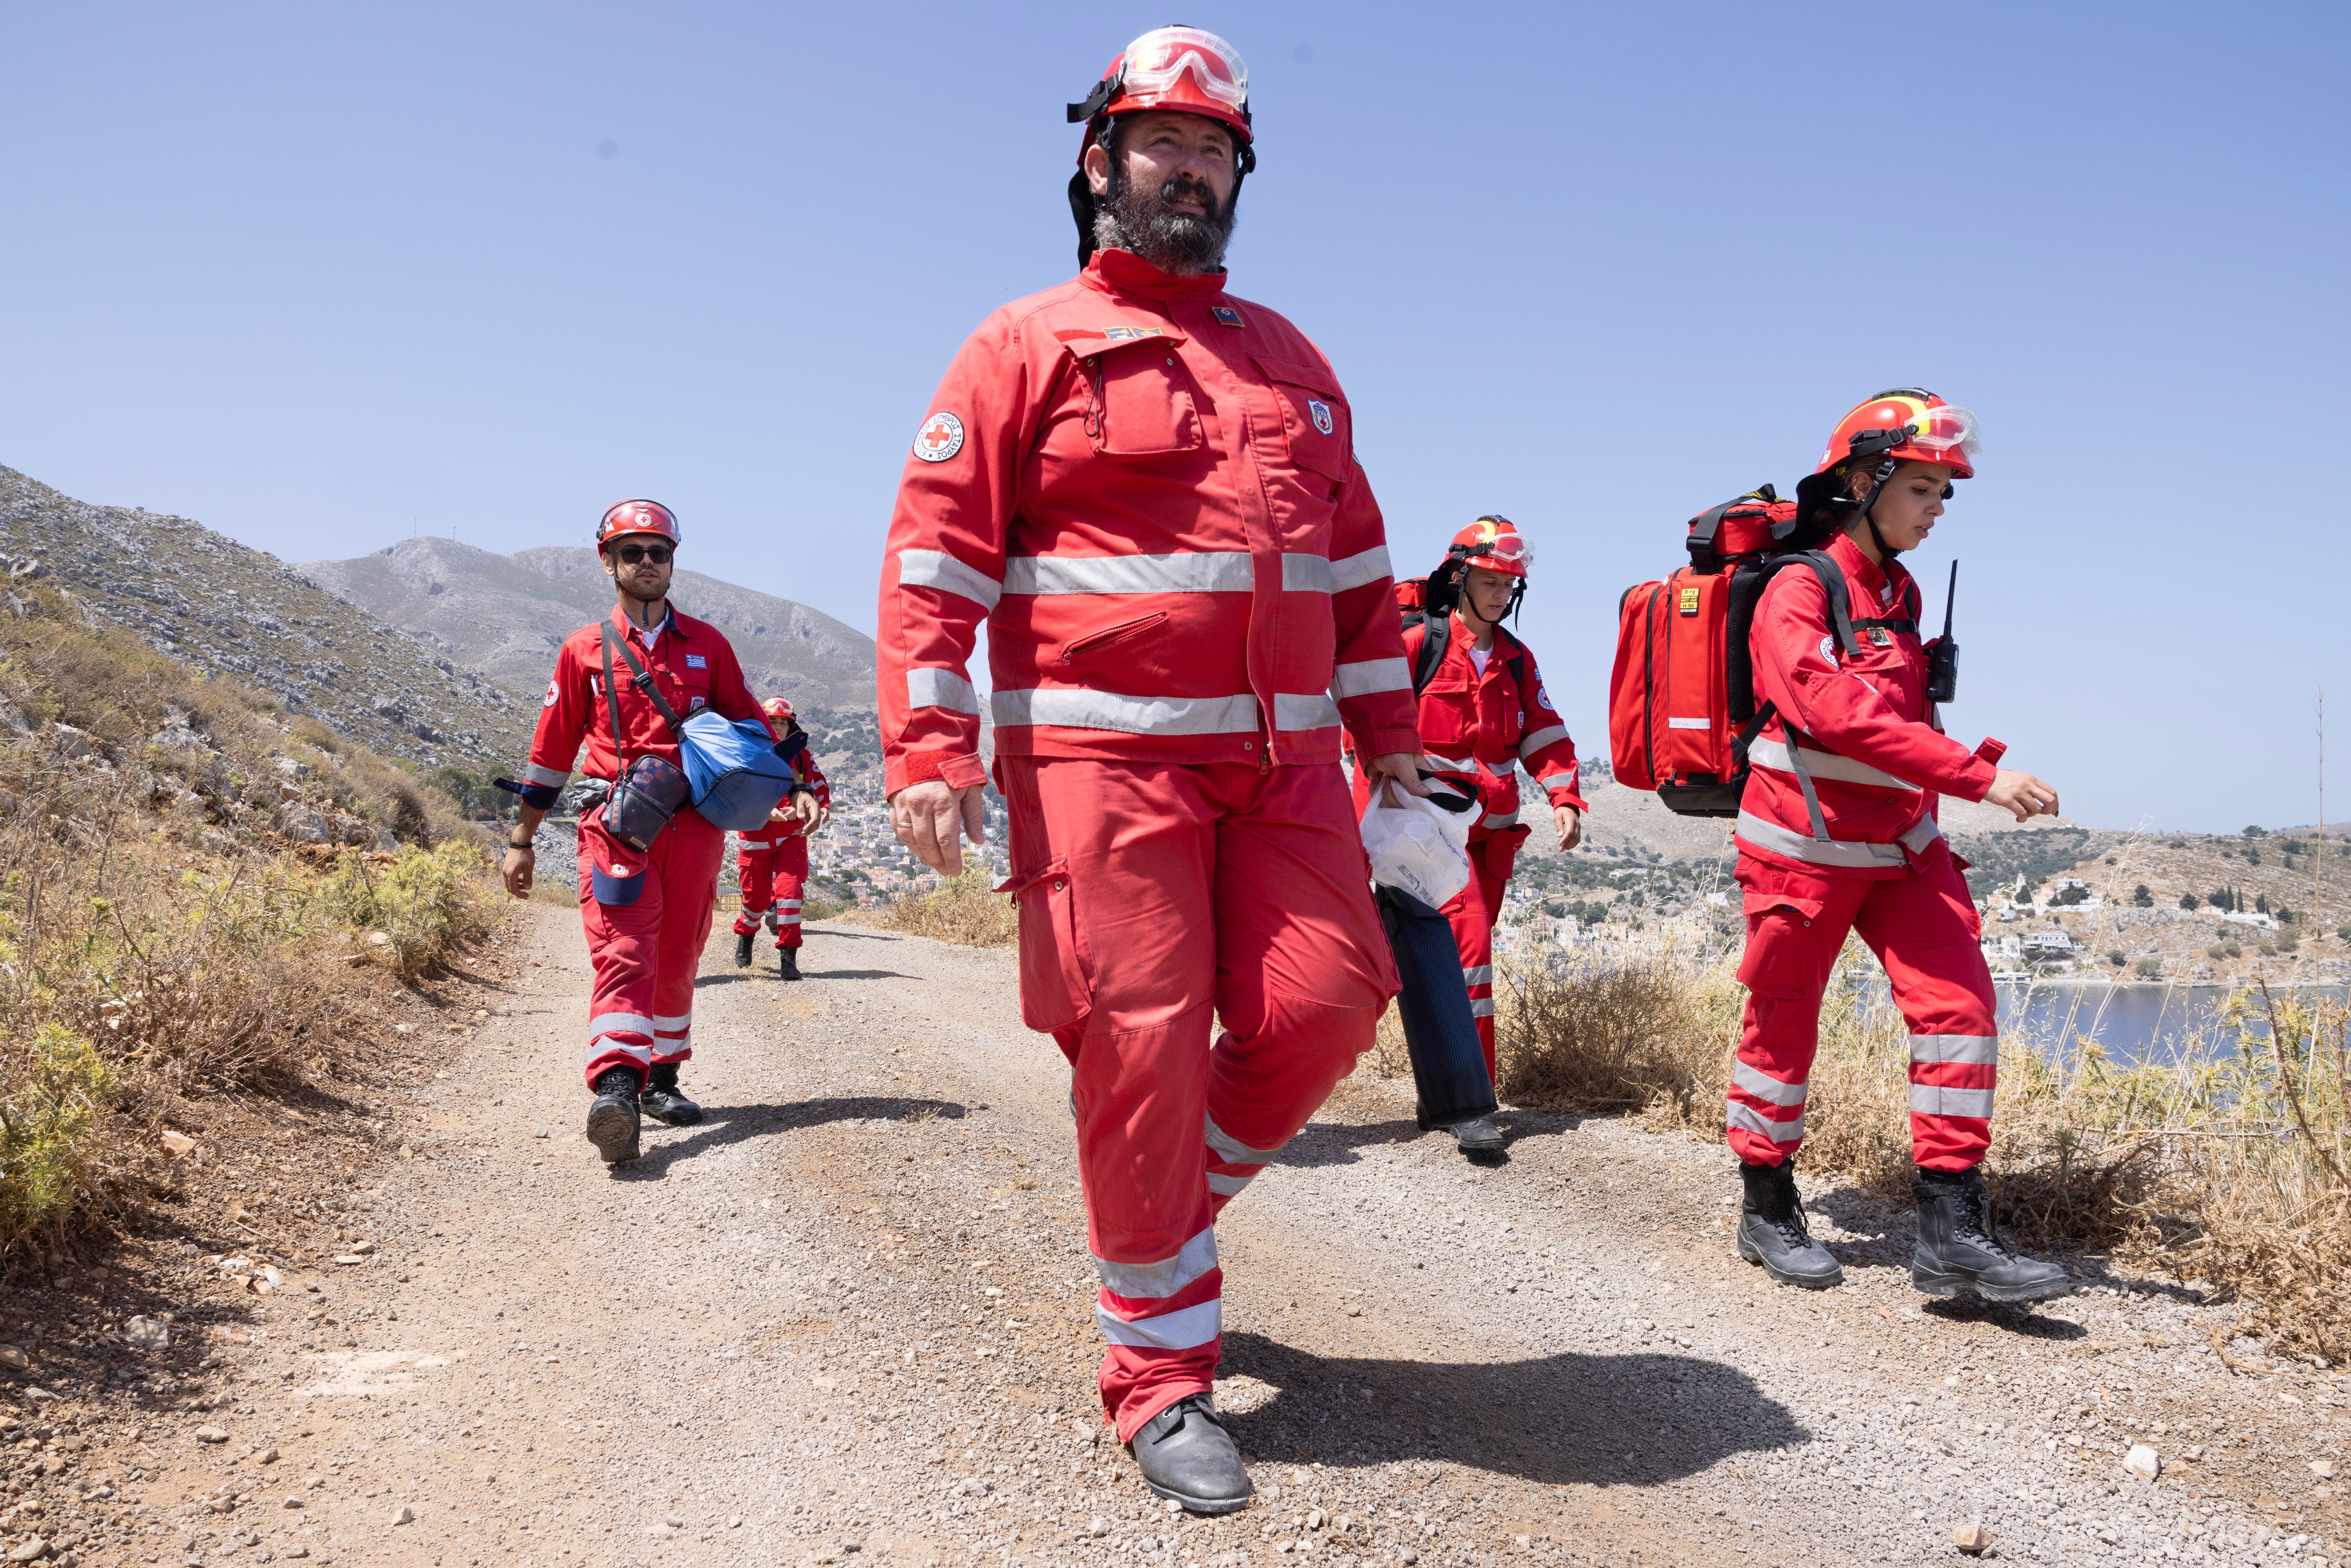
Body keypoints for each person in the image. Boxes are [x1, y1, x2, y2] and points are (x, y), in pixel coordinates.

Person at [874, 26, 1425, 1514]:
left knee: (1329, 1003)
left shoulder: (1295, 365)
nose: (1193, 171)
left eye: (1218, 151)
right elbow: (936, 559)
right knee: (1141, 1047)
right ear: (1100, 162)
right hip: (1100, 769)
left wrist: (1405, 759)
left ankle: (1164, 1205)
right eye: (1166, 145)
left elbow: (1364, 582)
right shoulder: (1023, 344)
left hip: (1285, 771)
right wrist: (930, 742)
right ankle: (1160, 1373)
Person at [1726, 391, 2069, 1301]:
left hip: (1899, 847)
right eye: (1923, 487)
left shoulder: (1902, 591)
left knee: (1961, 1009)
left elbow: (1895, 715)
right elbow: (1833, 712)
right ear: (1863, 480)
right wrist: (1976, 773)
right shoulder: (1797, 588)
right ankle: (1765, 1204)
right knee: (1783, 1022)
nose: (1939, 507)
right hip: (1802, 848)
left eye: (1946, 491)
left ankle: (1952, 1227)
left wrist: (1943, 785)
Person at [499, 500, 814, 1165]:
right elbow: (550, 752)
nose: (648, 562)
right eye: (634, 551)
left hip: (696, 828)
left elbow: (756, 730)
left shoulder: (709, 645)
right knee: (624, 951)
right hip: (616, 828)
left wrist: (793, 782)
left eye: (659, 552)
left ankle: (662, 1079)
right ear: (608, 561)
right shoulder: (582, 650)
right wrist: (521, 839)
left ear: (673, 561)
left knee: (678, 955)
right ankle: (616, 1086)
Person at [1354, 517, 1585, 1156]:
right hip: (1426, 836)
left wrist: (1563, 794)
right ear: (1460, 578)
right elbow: (1363, 719)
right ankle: (1469, 1101)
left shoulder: (1515, 658)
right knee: (1471, 952)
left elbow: (1544, 731)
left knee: (1438, 966)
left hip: (1491, 838)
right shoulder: (1416, 646)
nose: (1498, 592)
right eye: (1488, 579)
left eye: (1508, 583)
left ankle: (1439, 1092)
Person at [733, 696, 832, 980]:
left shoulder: (802, 756)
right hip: (755, 838)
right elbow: (737, 791)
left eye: (782, 722)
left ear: (792, 727)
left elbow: (817, 784)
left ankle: (789, 958)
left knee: (789, 896)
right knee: (756, 901)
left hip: (792, 836)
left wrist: (821, 807)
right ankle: (746, 935)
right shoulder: (747, 752)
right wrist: (767, 813)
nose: (777, 727)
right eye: (771, 722)